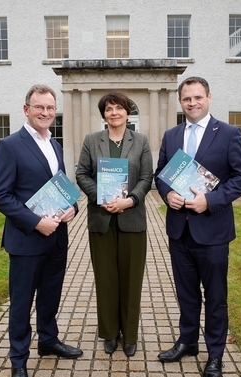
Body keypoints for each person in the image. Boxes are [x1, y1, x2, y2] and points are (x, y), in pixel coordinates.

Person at [154, 77, 241, 377]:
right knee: (185, 293)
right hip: (179, 230)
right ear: (180, 101)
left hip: (212, 232)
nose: (192, 103)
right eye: (186, 98)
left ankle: (215, 355)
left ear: (209, 97)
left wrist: (209, 201)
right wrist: (166, 193)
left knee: (215, 296)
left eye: (198, 97)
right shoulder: (172, 136)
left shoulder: (228, 134)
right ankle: (187, 342)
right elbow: (160, 173)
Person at [0, 84, 83, 377]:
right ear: (26, 109)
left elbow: (60, 185)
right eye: (39, 107)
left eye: (49, 108)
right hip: (27, 240)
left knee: (50, 295)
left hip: (57, 238)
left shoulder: (54, 144)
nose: (45, 113)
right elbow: (1, 197)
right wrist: (36, 223)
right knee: (21, 305)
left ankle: (48, 340)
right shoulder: (10, 145)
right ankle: (18, 362)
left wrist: (73, 206)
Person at [76, 92, 153, 357]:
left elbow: (146, 178)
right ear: (104, 115)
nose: (114, 113)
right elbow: (81, 173)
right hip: (102, 219)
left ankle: (130, 335)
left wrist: (129, 200)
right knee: (106, 279)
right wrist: (103, 197)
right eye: (109, 109)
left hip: (132, 219)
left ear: (128, 113)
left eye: (119, 108)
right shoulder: (91, 141)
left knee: (131, 280)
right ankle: (109, 332)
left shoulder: (140, 141)